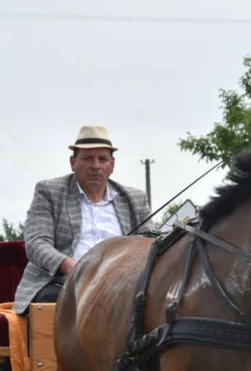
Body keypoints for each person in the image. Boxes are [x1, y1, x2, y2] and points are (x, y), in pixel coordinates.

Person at [12, 125, 151, 315]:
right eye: (87, 158)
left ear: (112, 164)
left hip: (123, 284)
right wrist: (72, 266)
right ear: (73, 162)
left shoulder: (134, 199)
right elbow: (36, 244)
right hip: (61, 281)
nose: (95, 165)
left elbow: (150, 243)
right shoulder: (49, 191)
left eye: (102, 159)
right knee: (62, 301)